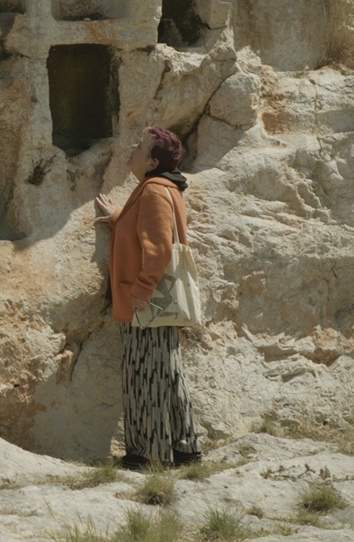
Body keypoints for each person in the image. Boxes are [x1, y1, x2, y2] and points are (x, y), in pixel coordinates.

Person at [95, 126, 201, 469]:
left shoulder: (154, 190)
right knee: (167, 372)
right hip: (159, 302)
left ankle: (149, 455)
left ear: (153, 161)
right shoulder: (162, 187)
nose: (133, 147)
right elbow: (147, 231)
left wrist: (140, 292)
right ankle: (184, 449)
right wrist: (118, 218)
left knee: (145, 376)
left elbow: (158, 249)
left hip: (147, 302)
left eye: (140, 145)